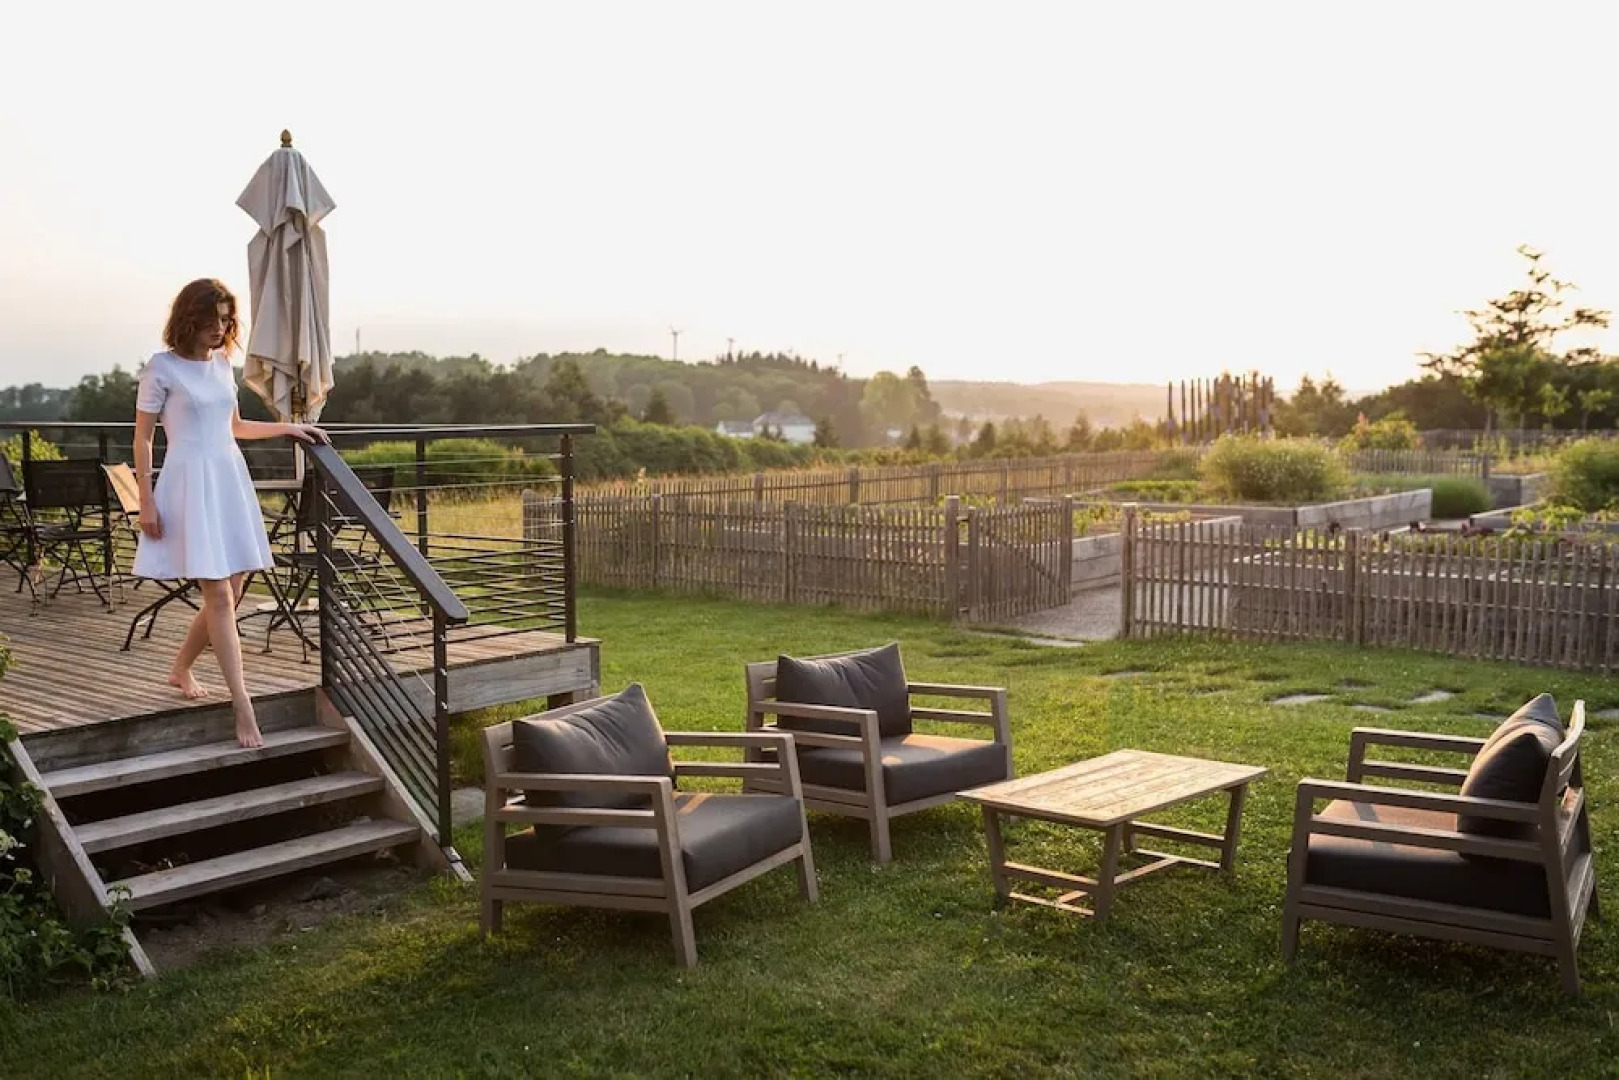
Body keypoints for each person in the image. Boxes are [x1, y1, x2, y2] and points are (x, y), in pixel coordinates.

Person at [132, 278, 329, 748]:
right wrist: (145, 498)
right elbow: (143, 438)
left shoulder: (222, 365)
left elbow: (235, 426)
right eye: (215, 318)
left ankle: (179, 667)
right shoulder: (161, 368)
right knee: (219, 594)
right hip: (187, 481)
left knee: (234, 589)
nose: (222, 328)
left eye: (227, 319)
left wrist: (289, 427)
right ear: (191, 318)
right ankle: (243, 706)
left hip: (226, 479)